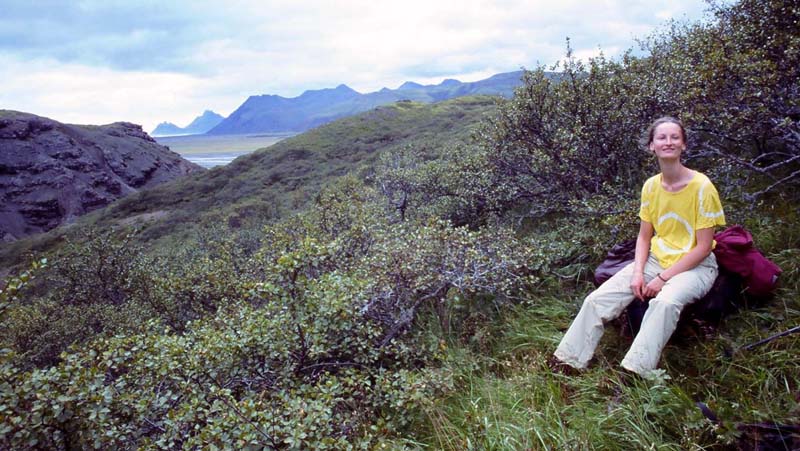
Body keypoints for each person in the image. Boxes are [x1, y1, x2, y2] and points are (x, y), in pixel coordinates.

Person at [552, 116, 726, 377]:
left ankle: (634, 372)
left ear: (684, 145)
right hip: (657, 259)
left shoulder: (702, 187)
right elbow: (644, 236)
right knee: (597, 300)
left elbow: (702, 248)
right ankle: (567, 362)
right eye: (662, 137)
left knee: (665, 303)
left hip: (695, 266)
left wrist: (662, 279)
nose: (668, 142)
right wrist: (637, 273)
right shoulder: (651, 187)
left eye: (674, 137)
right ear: (651, 146)